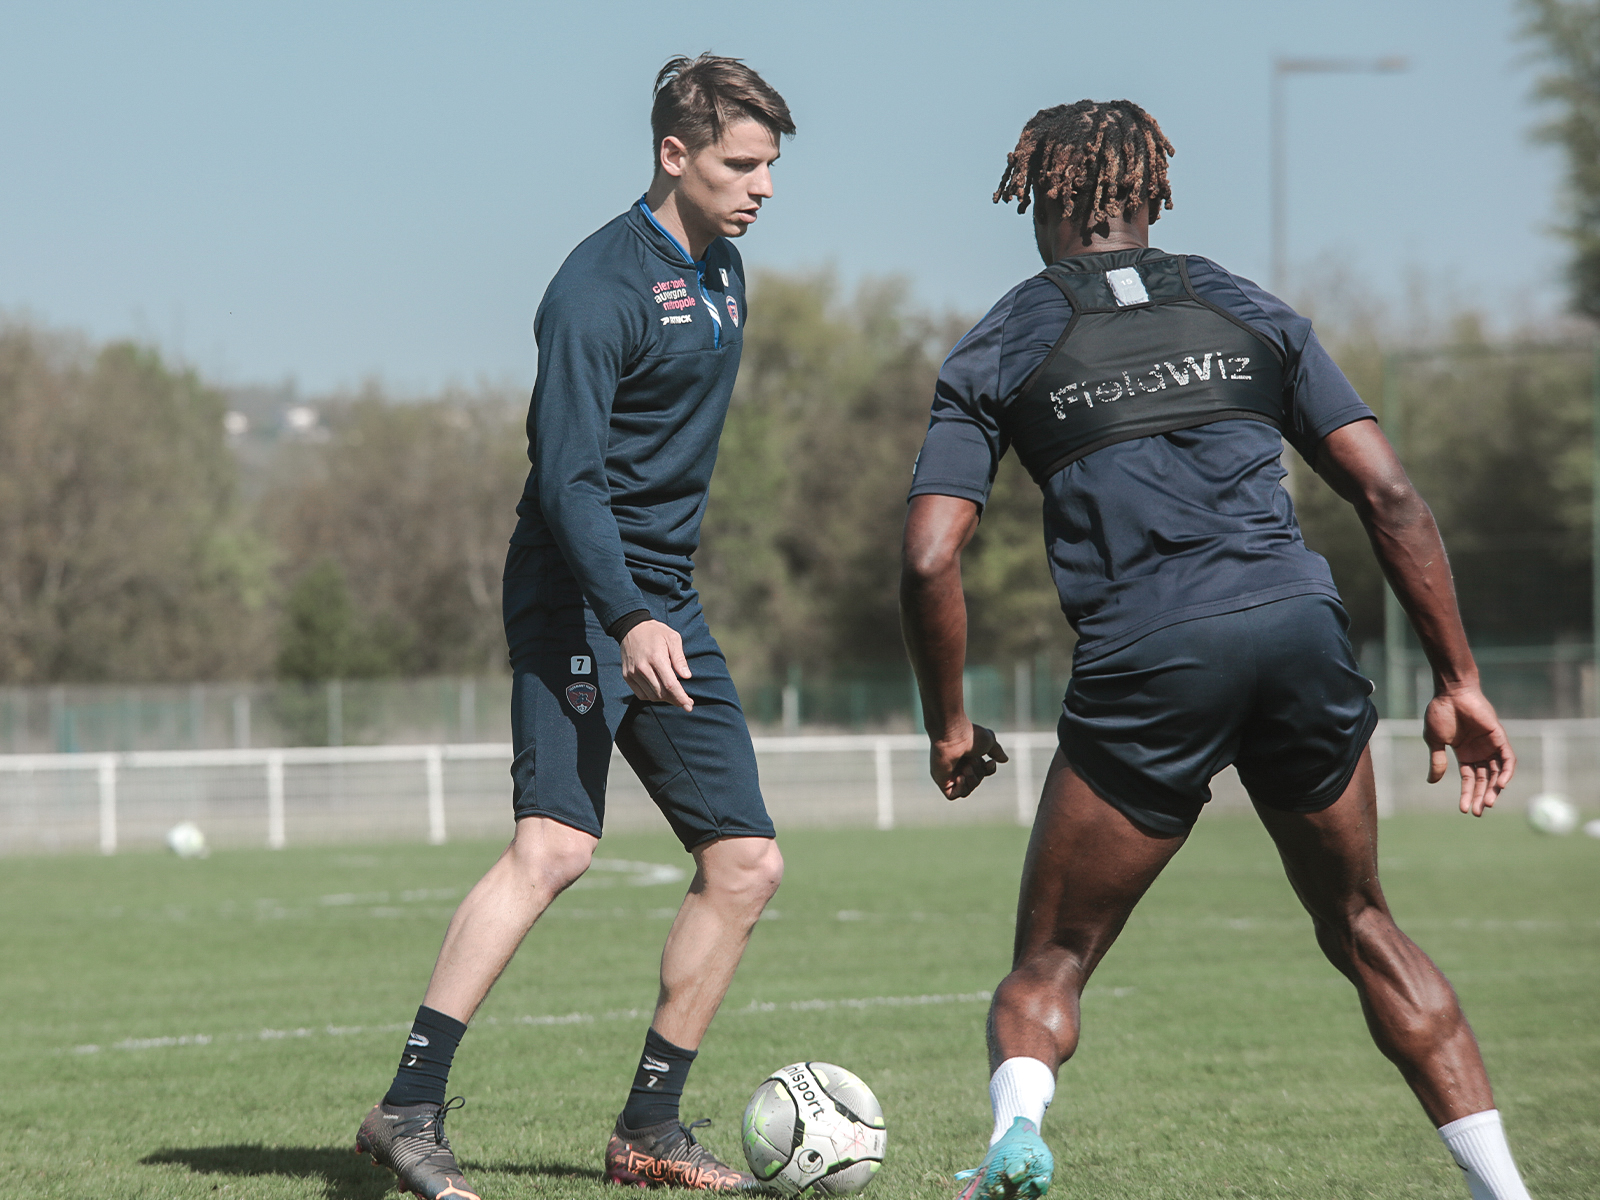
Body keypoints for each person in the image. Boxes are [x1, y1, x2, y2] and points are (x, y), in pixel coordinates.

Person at [899, 100, 1532, 1200]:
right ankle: (1505, 1192)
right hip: (1299, 631)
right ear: (1153, 190)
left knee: (1050, 963)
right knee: (1362, 924)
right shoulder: (1246, 306)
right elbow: (1386, 491)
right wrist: (1459, 682)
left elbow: (926, 557)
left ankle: (1016, 1132)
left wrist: (950, 722)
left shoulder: (1002, 339)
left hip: (1152, 654)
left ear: (1039, 197)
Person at [355, 54, 794, 1200]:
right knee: (555, 846)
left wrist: (656, 604)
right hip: (577, 589)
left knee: (745, 864)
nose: (759, 188)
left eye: (769, 168)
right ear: (673, 154)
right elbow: (567, 480)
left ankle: (649, 1126)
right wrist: (626, 611)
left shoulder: (727, 271)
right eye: (740, 165)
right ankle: (406, 1107)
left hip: (660, 596)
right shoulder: (595, 288)